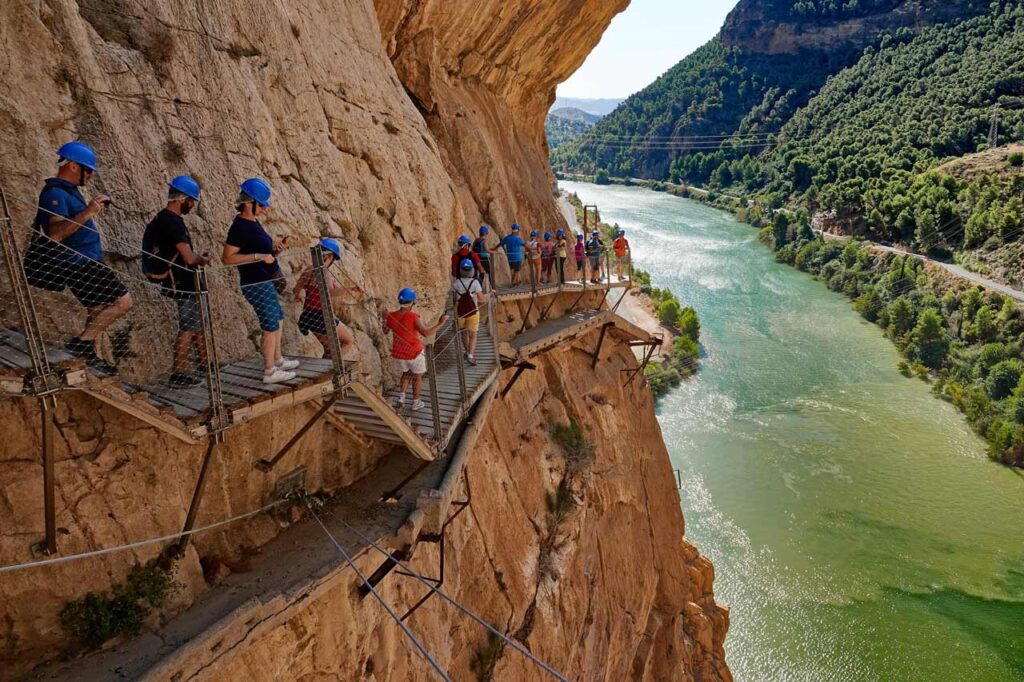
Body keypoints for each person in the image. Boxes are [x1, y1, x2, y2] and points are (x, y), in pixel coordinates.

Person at [31, 141, 132, 372]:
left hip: (86, 260)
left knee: (97, 310)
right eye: (89, 169)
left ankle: (92, 359)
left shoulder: (69, 191)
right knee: (123, 302)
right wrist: (89, 211)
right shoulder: (54, 193)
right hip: (78, 262)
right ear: (74, 166)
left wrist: (89, 207)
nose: (91, 175)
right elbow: (55, 233)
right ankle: (82, 343)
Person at [221, 178, 299, 384]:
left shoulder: (253, 222)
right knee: (270, 325)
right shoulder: (239, 227)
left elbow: (262, 252)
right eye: (262, 204)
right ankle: (269, 371)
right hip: (255, 283)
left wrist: (274, 250)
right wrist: (257, 256)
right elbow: (227, 258)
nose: (265, 208)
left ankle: (278, 359)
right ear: (249, 203)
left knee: (278, 319)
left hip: (263, 280)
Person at [141, 175, 211, 388]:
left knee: (197, 325)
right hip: (182, 282)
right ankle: (177, 374)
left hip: (180, 281)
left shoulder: (162, 218)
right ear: (183, 199)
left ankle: (205, 365)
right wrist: (203, 259)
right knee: (189, 327)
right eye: (192, 201)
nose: (192, 205)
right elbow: (189, 258)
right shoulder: (173, 223)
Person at [293, 238, 361, 361]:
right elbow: (330, 292)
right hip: (322, 316)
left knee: (329, 350)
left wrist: (298, 296)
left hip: (308, 315)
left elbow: (296, 289)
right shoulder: (324, 272)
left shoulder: (309, 269)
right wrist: (349, 289)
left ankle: (326, 367)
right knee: (348, 341)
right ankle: (333, 367)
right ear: (329, 257)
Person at [384, 288, 448, 410]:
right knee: (417, 377)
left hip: (399, 354)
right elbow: (426, 333)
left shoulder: (391, 316)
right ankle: (415, 402)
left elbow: (385, 331)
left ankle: (401, 398)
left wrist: (384, 317)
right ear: (412, 302)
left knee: (406, 373)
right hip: (414, 353)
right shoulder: (412, 316)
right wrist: (441, 323)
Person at [452, 258, 487, 366]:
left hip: (460, 312)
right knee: (473, 335)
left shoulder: (456, 283)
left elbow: (455, 299)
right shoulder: (475, 282)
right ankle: (471, 356)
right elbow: (482, 299)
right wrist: (490, 295)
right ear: (472, 270)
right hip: (473, 312)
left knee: (464, 333)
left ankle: (467, 352)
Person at [472, 225, 492, 289]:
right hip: (484, 258)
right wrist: (492, 252)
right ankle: (491, 287)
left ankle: (478, 287)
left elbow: (472, 248)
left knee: (480, 274)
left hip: (477, 258)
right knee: (488, 273)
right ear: (486, 233)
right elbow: (486, 249)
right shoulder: (484, 240)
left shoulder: (476, 240)